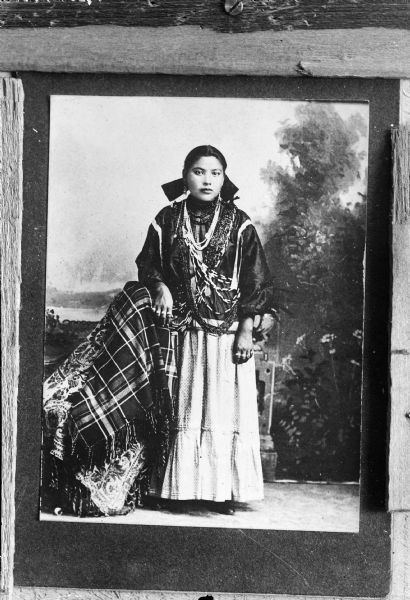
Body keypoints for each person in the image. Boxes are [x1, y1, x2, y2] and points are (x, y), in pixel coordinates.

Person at [136, 145, 277, 514]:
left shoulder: (239, 222)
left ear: (224, 177)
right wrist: (160, 287)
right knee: (183, 404)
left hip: (226, 332)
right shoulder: (166, 219)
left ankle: (222, 492)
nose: (207, 179)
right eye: (199, 171)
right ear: (185, 175)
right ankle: (177, 490)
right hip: (179, 331)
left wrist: (246, 329)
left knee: (221, 409)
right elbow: (148, 264)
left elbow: (256, 281)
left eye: (215, 173)